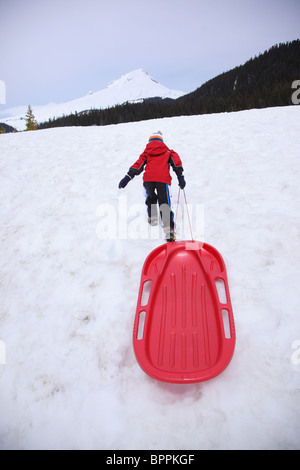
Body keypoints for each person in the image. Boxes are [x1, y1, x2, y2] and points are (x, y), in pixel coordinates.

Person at [118, 131, 186, 241]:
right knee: (164, 203)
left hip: (148, 180)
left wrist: (128, 176)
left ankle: (153, 218)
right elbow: (176, 163)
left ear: (150, 142)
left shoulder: (146, 153)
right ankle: (169, 230)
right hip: (162, 181)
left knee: (151, 198)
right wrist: (180, 177)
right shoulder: (168, 152)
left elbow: (138, 165)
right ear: (161, 141)